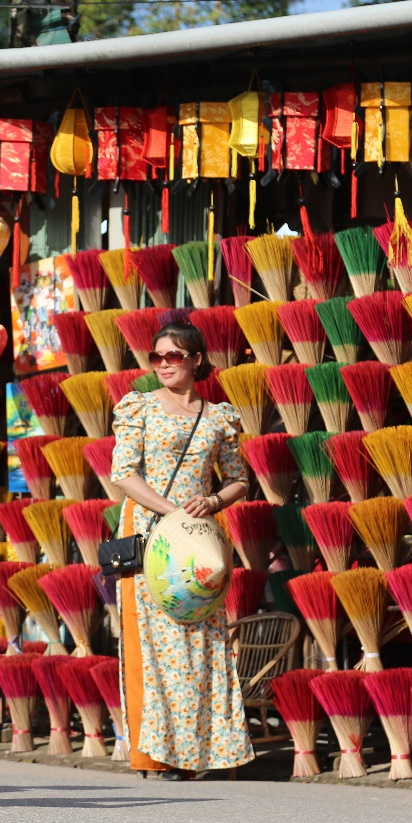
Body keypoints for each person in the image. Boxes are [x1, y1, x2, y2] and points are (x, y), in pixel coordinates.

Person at [110, 323, 254, 779]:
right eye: (157, 357)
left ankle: (211, 751)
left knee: (204, 643)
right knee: (156, 648)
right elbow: (123, 474)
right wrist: (174, 514)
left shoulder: (219, 418)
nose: (164, 364)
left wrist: (212, 501)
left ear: (196, 360)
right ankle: (161, 754)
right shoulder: (140, 408)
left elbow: (239, 479)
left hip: (200, 546)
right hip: (154, 535)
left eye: (174, 356)